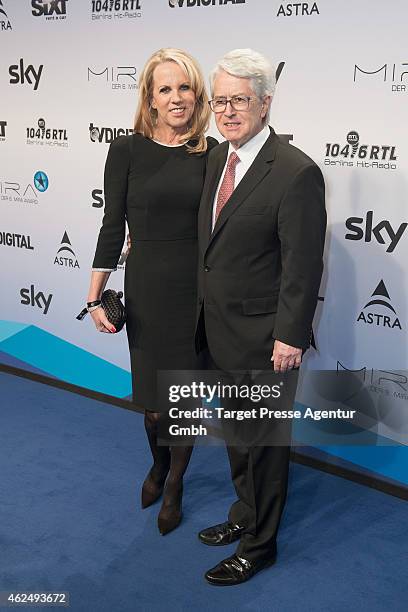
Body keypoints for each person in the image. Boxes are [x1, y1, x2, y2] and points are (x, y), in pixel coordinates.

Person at [195, 49, 327, 585]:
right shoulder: (214, 159)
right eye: (219, 101)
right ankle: (243, 514)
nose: (227, 111)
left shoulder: (296, 173)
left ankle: (260, 544)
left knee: (265, 446)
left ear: (266, 103)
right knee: (236, 434)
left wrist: (289, 337)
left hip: (266, 339)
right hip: (219, 330)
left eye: (239, 101)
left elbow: (303, 264)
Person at [86, 48, 217, 535]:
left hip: (194, 293)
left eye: (185, 87)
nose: (176, 97)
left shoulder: (213, 154)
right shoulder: (126, 151)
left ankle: (177, 480)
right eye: (165, 89)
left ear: (197, 95)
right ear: (150, 98)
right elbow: (111, 225)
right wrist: (93, 295)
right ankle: (158, 465)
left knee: (183, 402)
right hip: (146, 290)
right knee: (153, 404)